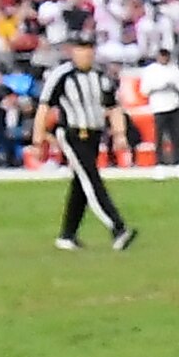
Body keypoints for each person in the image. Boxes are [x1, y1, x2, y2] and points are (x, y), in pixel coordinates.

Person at [39, 23, 132, 252]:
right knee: (92, 179)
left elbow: (113, 106)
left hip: (94, 134)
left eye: (90, 47)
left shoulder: (101, 76)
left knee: (81, 184)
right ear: (72, 51)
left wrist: (119, 134)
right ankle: (117, 227)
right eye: (81, 47)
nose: (87, 52)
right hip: (72, 133)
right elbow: (44, 106)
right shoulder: (62, 75)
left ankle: (67, 235)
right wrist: (38, 137)